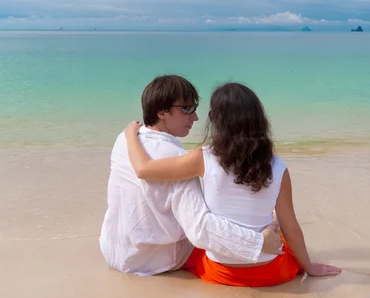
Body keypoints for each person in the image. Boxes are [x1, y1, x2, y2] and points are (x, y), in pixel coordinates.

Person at [123, 82, 342, 287]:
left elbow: (143, 170)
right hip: (270, 273)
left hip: (220, 273)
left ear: (217, 121)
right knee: (280, 230)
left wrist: (130, 135)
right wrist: (309, 267)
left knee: (193, 248)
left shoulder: (203, 158)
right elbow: (292, 227)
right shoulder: (278, 167)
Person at [99, 75, 282, 276]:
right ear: (162, 112)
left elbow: (142, 170)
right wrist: (257, 243)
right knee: (267, 248)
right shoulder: (178, 157)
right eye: (186, 109)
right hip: (155, 260)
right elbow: (200, 229)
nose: (194, 117)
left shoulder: (125, 139)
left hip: (114, 251)